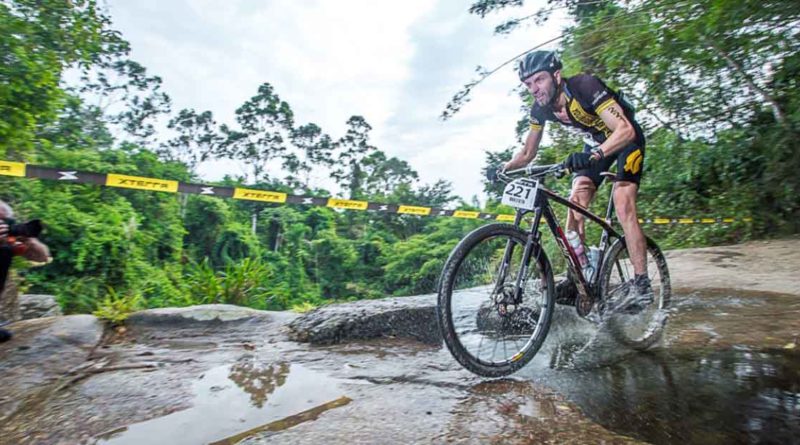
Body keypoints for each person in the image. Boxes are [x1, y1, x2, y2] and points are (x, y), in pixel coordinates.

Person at [497, 50, 652, 312]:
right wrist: (504, 167)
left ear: (556, 76)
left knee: (623, 202)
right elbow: (527, 153)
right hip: (596, 143)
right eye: (528, 84)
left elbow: (625, 129)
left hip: (625, 140)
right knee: (575, 204)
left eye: (539, 79)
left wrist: (595, 154)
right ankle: (578, 279)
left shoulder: (585, 86)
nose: (534, 88)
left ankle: (641, 284)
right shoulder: (540, 109)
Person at [0, 200, 50, 342]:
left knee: (5, 252)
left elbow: (42, 257)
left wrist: (29, 239)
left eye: (5, 221)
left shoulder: (7, 241)